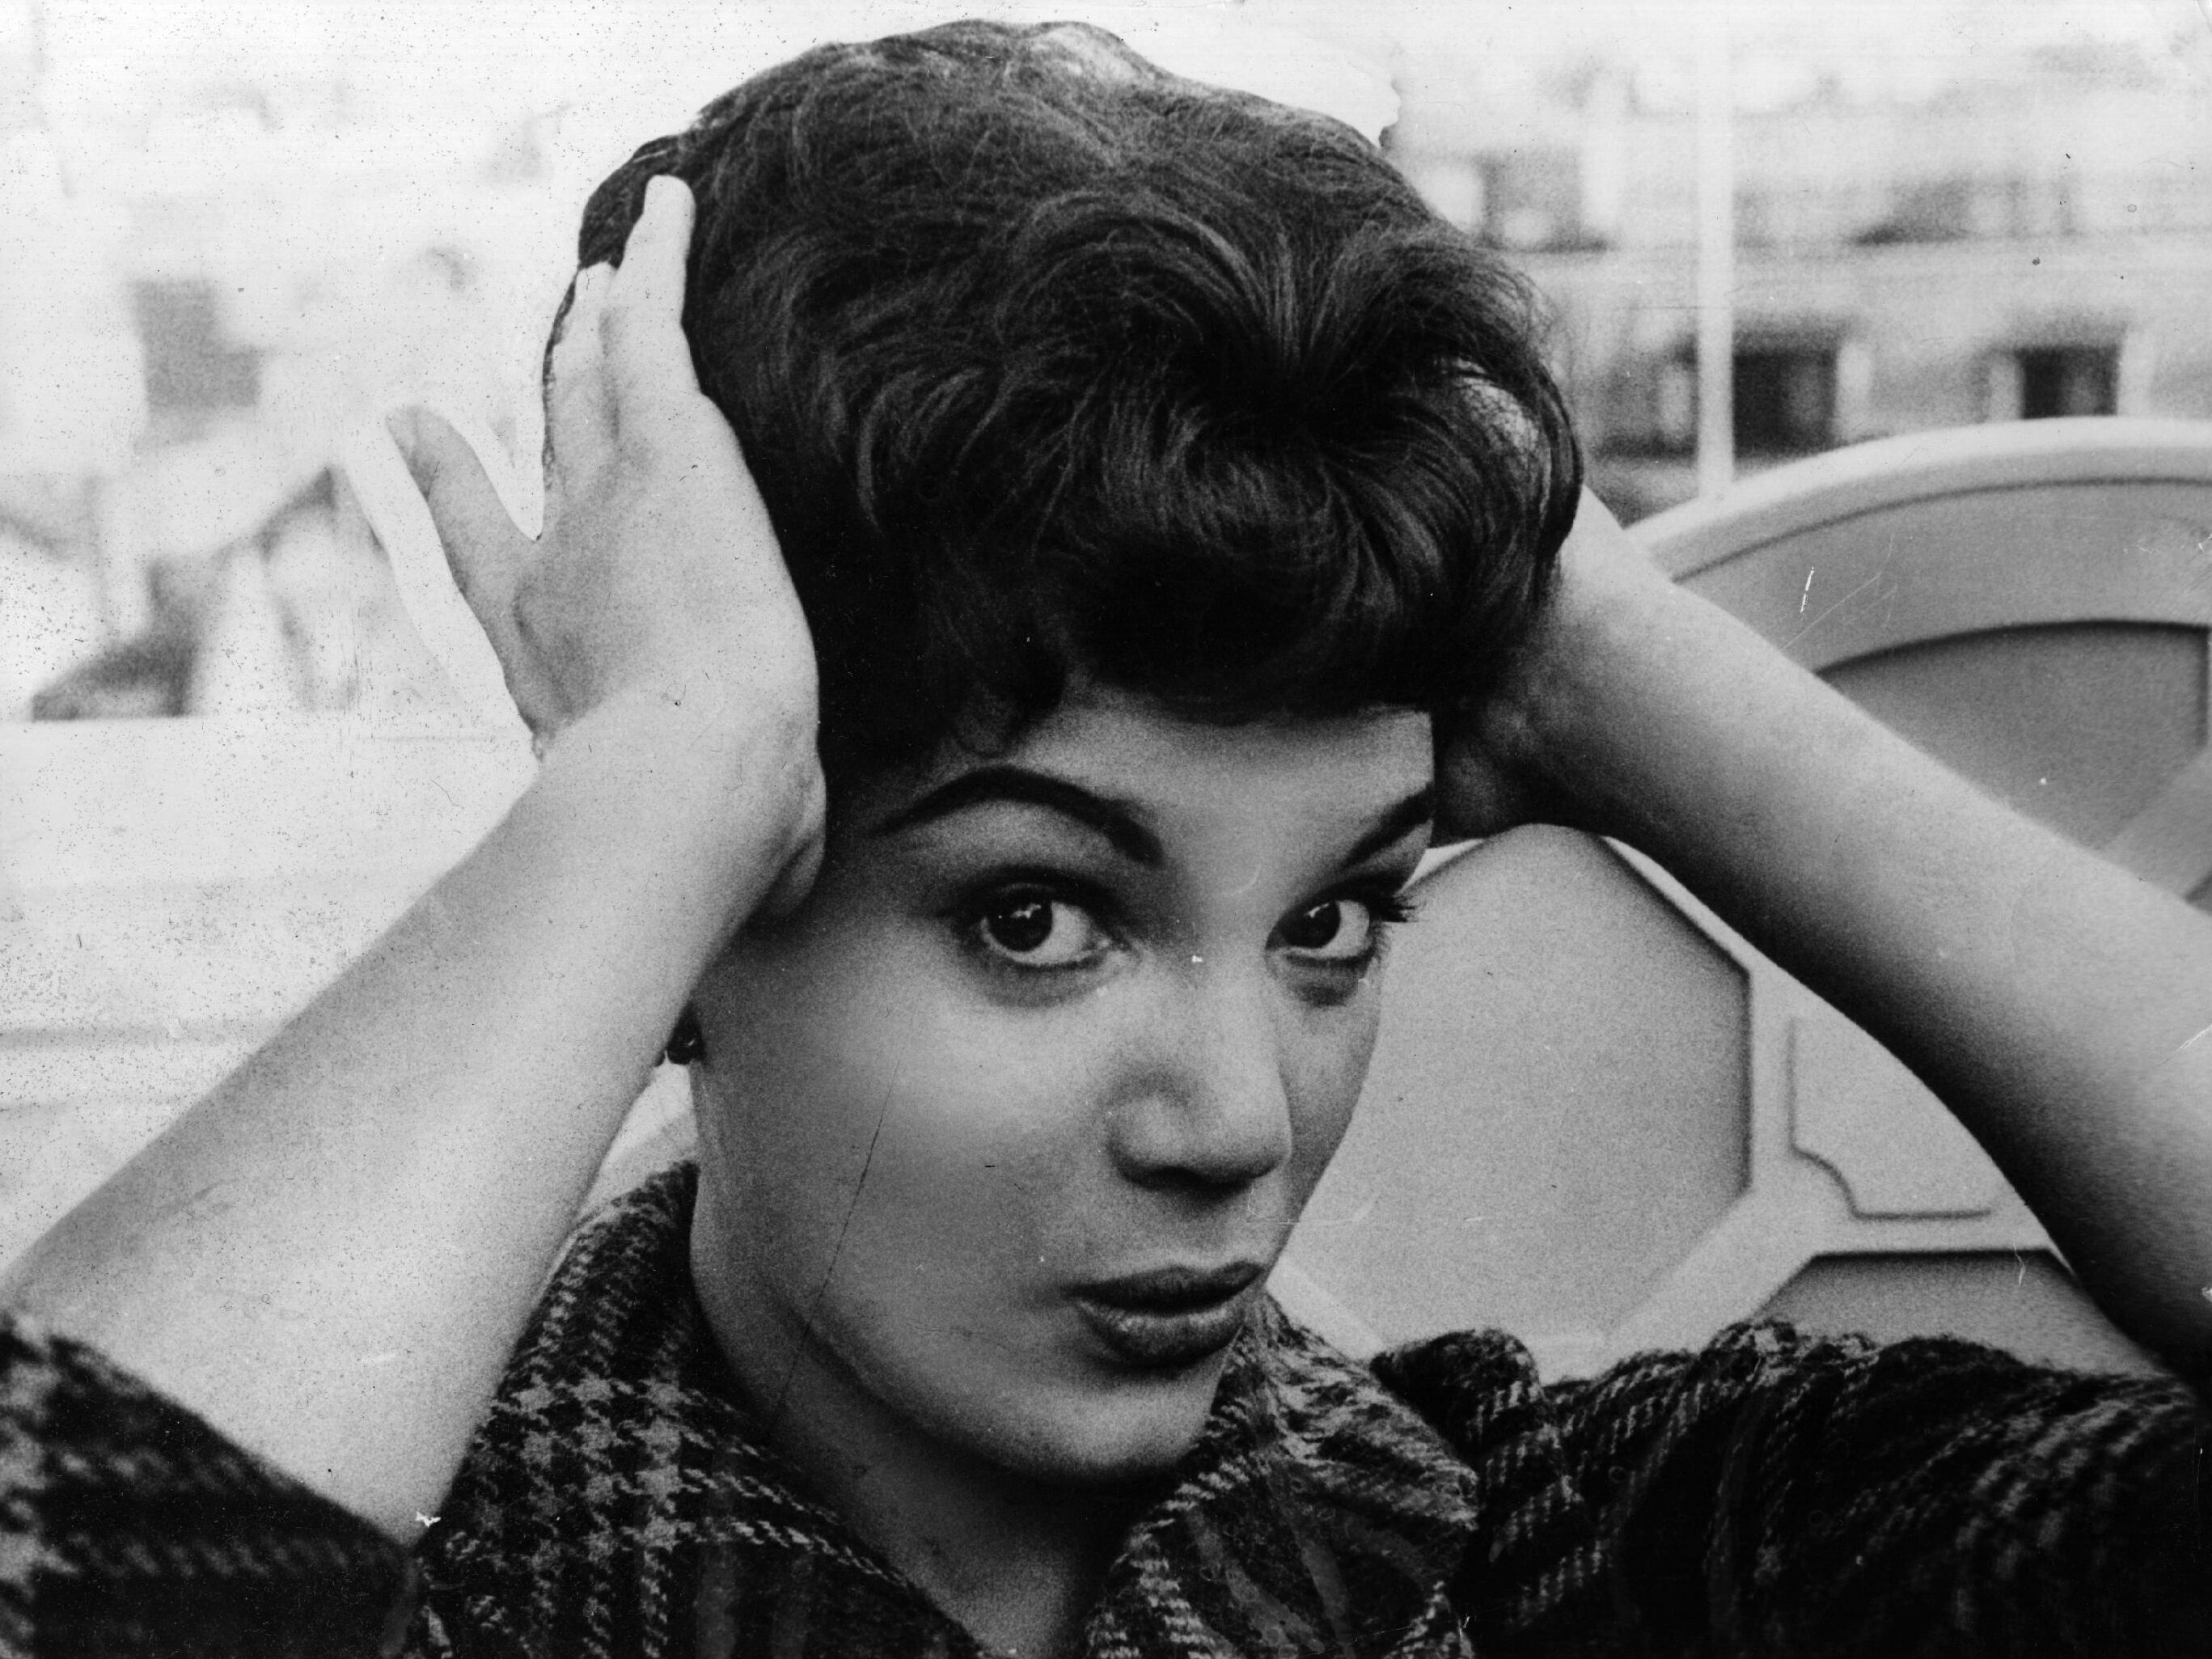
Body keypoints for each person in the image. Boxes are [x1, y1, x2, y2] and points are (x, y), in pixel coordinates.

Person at [1, 19, 2206, 1658]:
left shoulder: (1594, 1569)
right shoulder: (420, 1599)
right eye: (1039, 912)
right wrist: (662, 761)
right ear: (681, 915)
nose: (1239, 1118)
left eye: (1340, 914)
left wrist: (1597, 663)